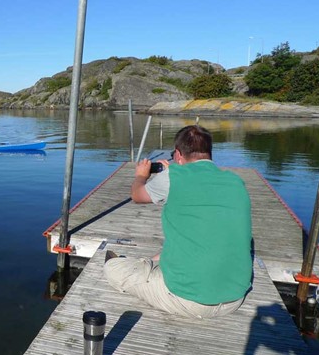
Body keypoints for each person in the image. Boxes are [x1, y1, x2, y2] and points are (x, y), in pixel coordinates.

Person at [103, 125, 252, 319]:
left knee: (112, 269)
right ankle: (154, 261)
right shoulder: (235, 181)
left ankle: (144, 266)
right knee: (191, 237)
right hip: (235, 296)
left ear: (179, 155)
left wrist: (141, 175)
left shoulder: (172, 176)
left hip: (190, 300)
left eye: (174, 155)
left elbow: (137, 195)